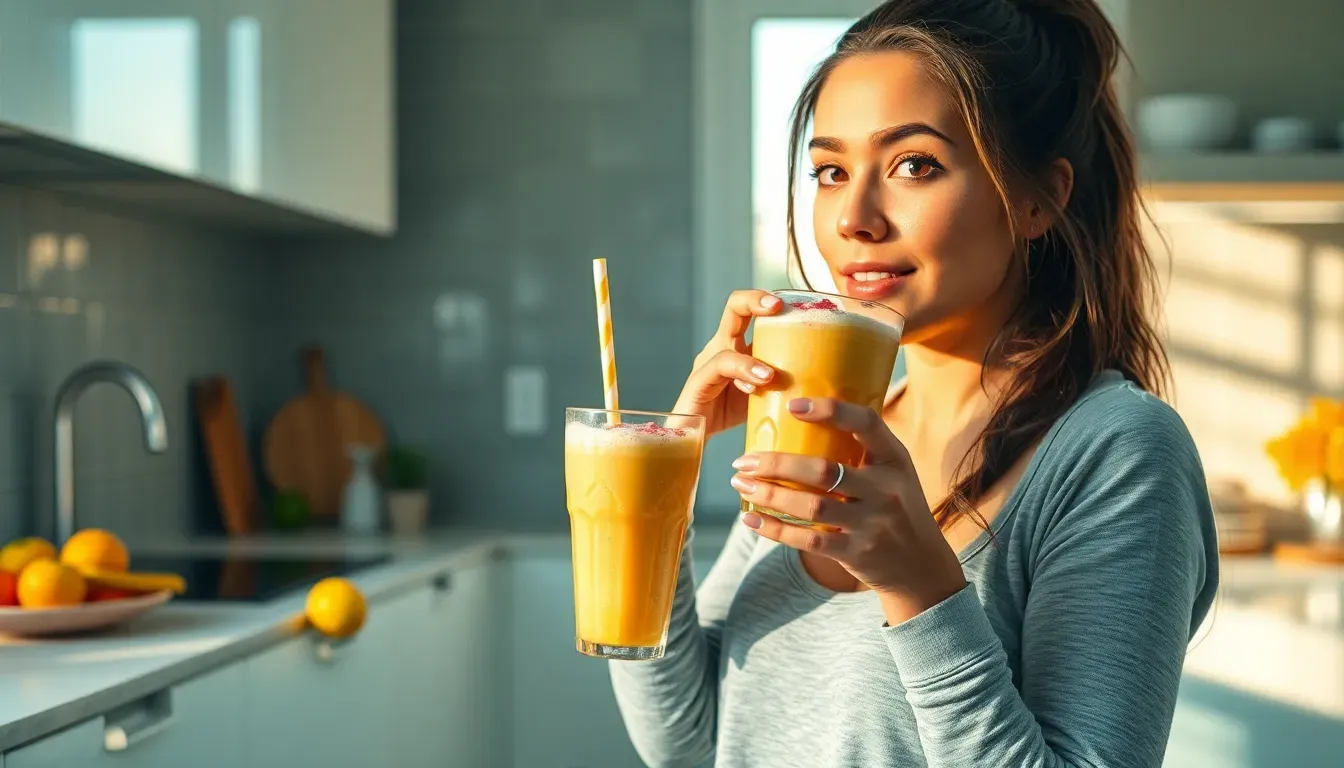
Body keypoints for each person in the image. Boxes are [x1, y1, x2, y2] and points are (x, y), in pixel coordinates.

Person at [608, 0, 1220, 766]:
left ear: (1038, 198)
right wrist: (658, 478)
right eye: (831, 172)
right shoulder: (824, 428)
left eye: (914, 165)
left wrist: (919, 590)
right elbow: (691, 742)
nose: (853, 218)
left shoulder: (1119, 451)